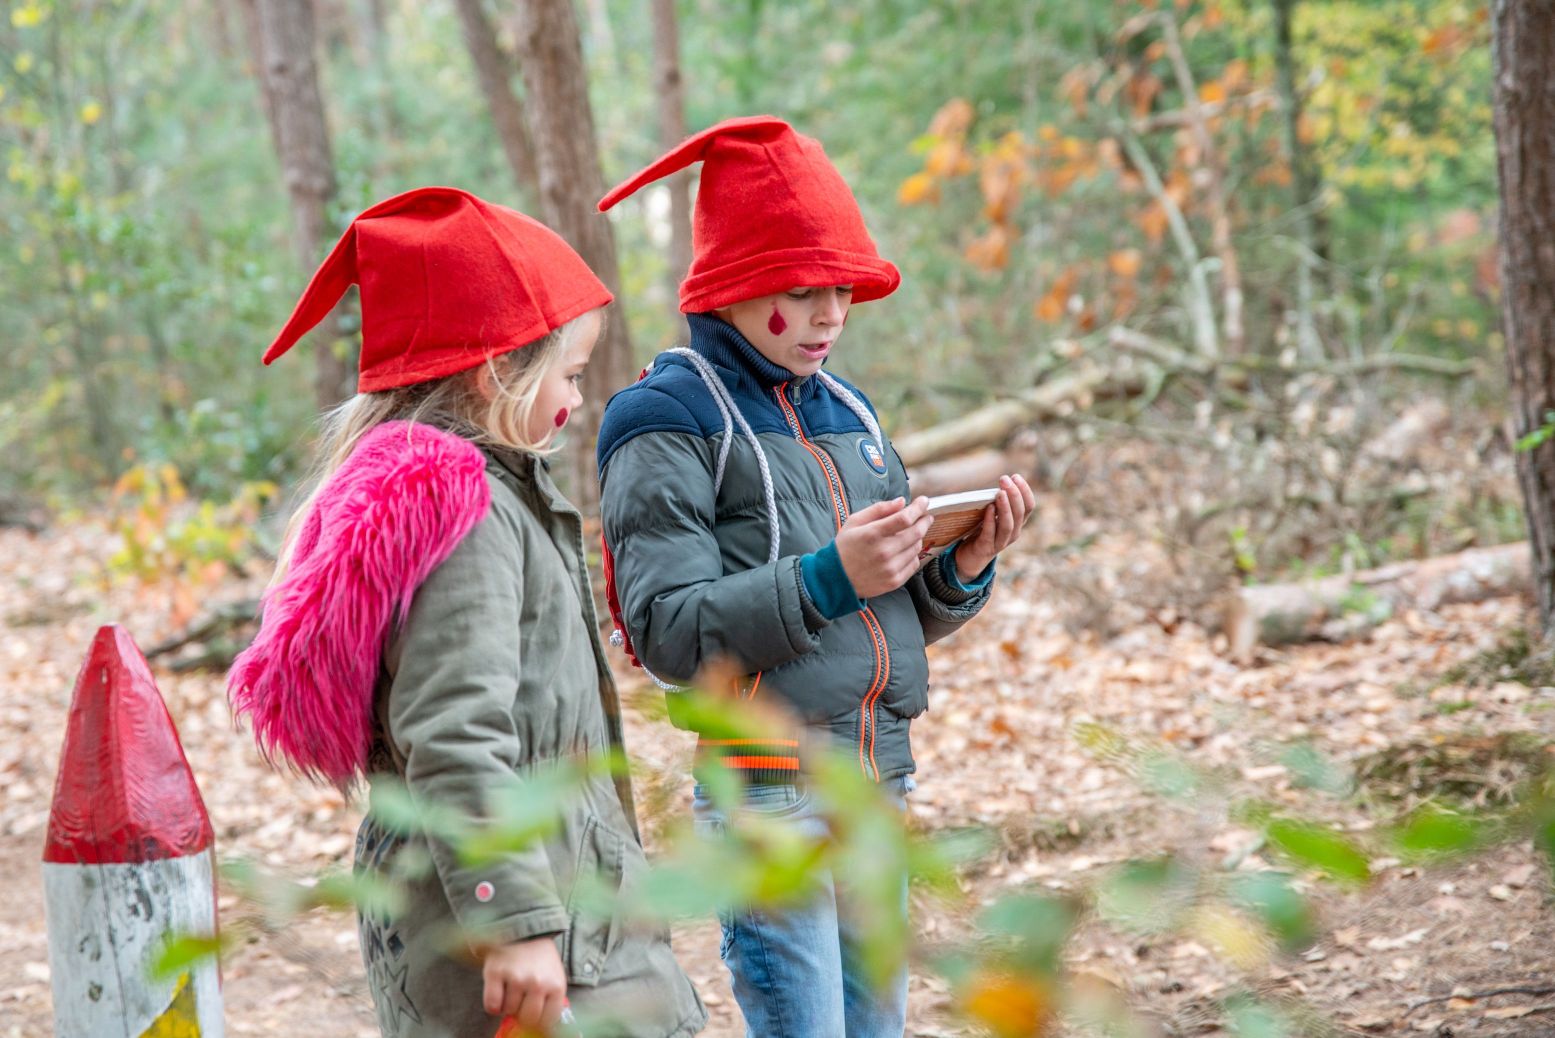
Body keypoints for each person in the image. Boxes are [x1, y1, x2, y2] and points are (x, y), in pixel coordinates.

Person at [227, 187, 705, 1038]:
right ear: (495, 375)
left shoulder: (492, 499)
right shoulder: (469, 514)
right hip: (530, 938)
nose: (576, 400)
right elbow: (451, 732)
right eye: (567, 373)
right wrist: (514, 923)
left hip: (556, 909)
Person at [594, 117, 1036, 1036]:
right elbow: (668, 635)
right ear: (734, 288)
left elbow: (898, 612)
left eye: (841, 287)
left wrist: (964, 561)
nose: (832, 313)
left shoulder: (848, 408)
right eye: (803, 290)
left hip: (878, 781)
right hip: (766, 795)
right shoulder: (660, 417)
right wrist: (830, 576)